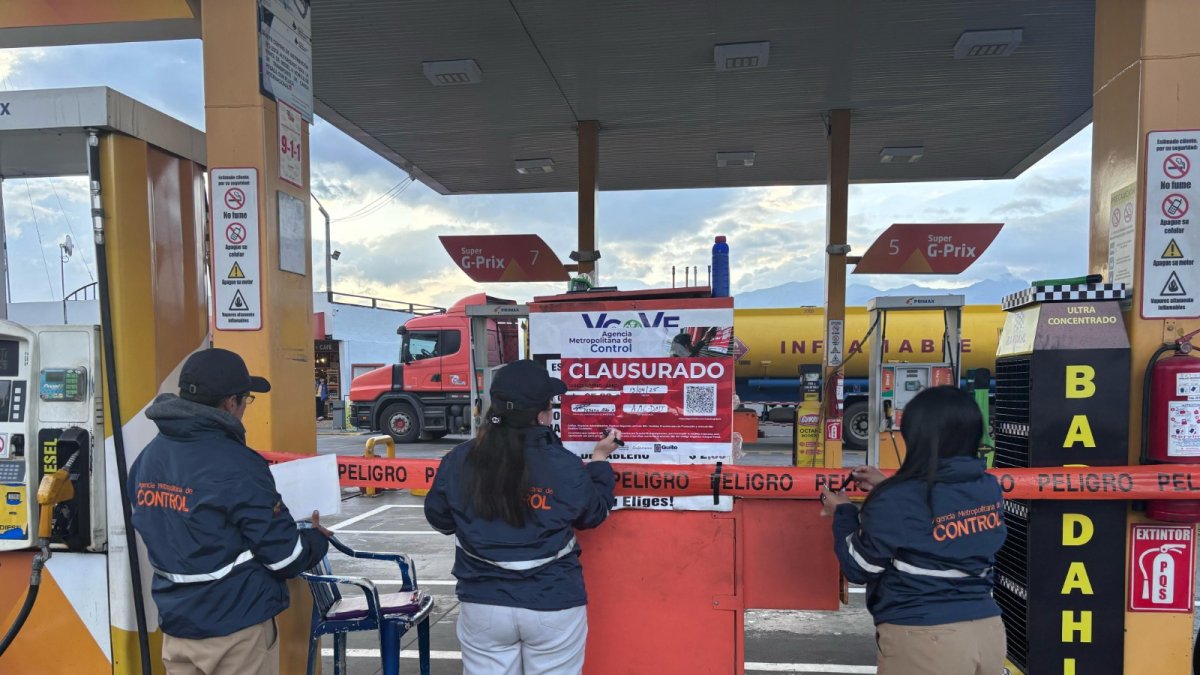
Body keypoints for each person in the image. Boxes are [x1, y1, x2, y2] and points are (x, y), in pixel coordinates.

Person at [129, 348, 331, 675]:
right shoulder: (238, 464)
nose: (244, 409)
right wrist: (315, 539)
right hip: (236, 631)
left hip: (177, 629)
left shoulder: (149, 457)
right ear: (229, 403)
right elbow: (286, 558)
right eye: (246, 399)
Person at [424, 360, 620, 674]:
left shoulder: (458, 459)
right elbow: (593, 514)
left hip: (483, 603)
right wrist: (599, 461)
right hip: (553, 602)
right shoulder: (565, 465)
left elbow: (440, 519)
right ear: (542, 414)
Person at [819, 386, 1006, 675]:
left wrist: (842, 512)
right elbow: (940, 511)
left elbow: (859, 565)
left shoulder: (900, 499)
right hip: (988, 632)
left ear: (917, 437)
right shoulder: (988, 487)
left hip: (924, 637)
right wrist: (887, 486)